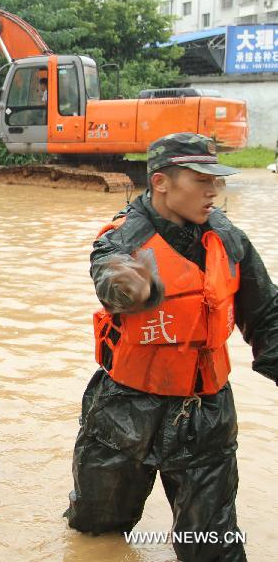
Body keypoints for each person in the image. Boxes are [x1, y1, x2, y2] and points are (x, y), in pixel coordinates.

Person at [65, 133, 278, 561]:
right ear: (161, 182)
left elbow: (267, 315)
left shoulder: (229, 240)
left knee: (212, 548)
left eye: (215, 180)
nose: (213, 191)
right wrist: (129, 289)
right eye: (200, 180)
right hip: (124, 411)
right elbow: (109, 278)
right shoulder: (122, 239)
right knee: (95, 532)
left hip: (205, 415)